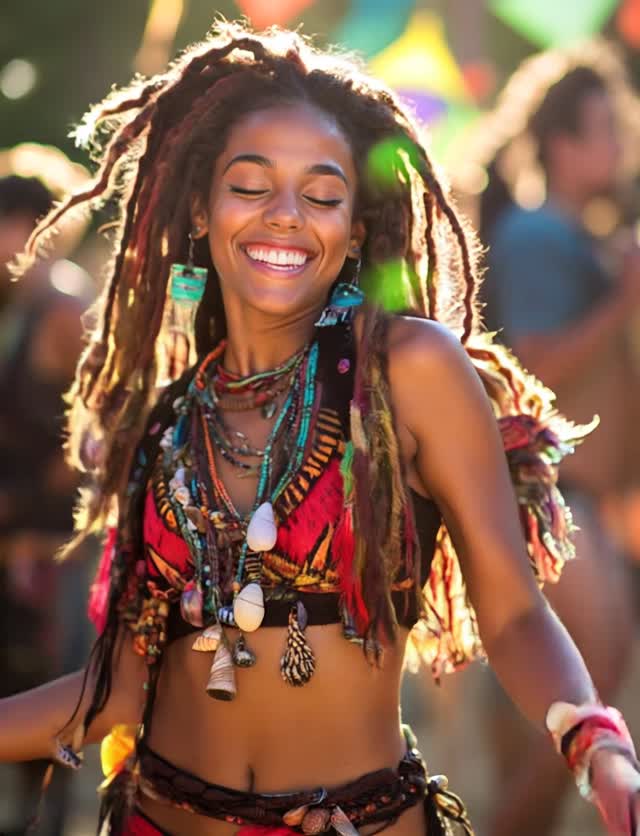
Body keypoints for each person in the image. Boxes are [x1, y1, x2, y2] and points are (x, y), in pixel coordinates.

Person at [1, 21, 640, 836]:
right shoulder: (172, 418)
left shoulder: (405, 373)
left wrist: (594, 740)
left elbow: (512, 611)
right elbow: (126, 679)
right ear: (201, 206)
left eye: (323, 194)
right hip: (154, 815)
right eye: (251, 185)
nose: (285, 217)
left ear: (358, 228)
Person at [476, 52, 640, 836]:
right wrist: (625, 302)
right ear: (564, 146)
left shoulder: (572, 234)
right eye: (608, 129)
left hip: (580, 506)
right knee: (584, 710)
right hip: (556, 506)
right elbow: (536, 359)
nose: (623, 145)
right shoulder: (540, 235)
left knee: (566, 716)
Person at [0, 175, 88, 834]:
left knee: (45, 724)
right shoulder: (17, 305)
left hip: (52, 552)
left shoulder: (64, 309)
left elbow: (93, 432)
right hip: (17, 549)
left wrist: (23, 501)